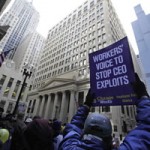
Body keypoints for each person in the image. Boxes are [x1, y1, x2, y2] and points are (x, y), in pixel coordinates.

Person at [59, 73, 150, 150]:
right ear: (109, 137)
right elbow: (146, 129)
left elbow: (72, 127)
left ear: (84, 132)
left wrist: (86, 105)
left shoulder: (68, 146)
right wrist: (143, 96)